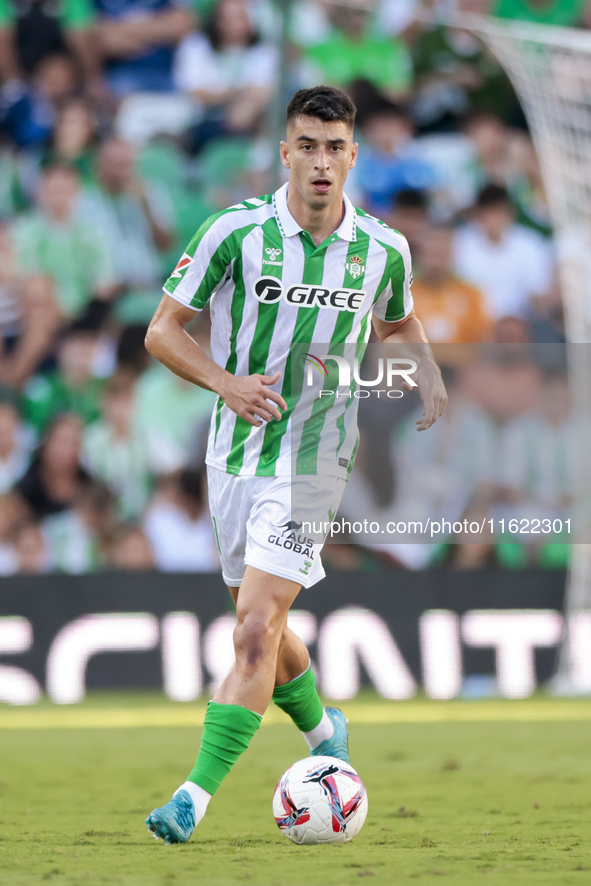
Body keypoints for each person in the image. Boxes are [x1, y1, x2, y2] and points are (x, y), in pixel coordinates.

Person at [143, 84, 446, 844]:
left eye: (333, 148)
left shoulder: (383, 248)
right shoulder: (233, 233)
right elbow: (162, 332)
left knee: (252, 630)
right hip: (235, 453)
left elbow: (398, 317)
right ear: (284, 152)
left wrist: (427, 368)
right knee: (264, 628)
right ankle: (323, 734)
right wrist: (227, 383)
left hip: (315, 459)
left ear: (352, 156)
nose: (319, 162)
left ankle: (192, 798)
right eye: (305, 146)